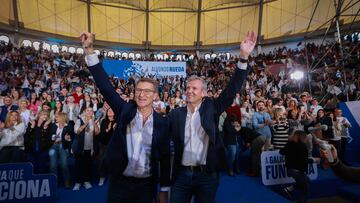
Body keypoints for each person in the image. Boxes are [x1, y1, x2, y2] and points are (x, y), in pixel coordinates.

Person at [80, 31, 171, 203]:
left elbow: (165, 157)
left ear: (155, 96)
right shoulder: (124, 110)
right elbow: (105, 87)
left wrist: (164, 189)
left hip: (146, 186)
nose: (141, 94)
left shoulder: (163, 123)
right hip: (119, 183)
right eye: (138, 90)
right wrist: (89, 50)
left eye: (147, 91)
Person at [168, 31, 256, 203]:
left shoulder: (212, 107)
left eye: (195, 88)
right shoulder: (175, 114)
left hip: (206, 176)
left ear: (204, 93)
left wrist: (243, 56)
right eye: (188, 88)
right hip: (181, 177)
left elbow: (231, 90)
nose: (190, 91)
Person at [280, 131, 314, 203]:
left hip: (290, 169)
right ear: (302, 137)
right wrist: (313, 160)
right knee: (305, 191)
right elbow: (302, 159)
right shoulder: (302, 146)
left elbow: (281, 152)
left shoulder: (290, 144)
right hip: (297, 170)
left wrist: (288, 143)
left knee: (306, 181)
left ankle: (289, 189)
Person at [71, 107, 100, 190]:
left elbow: (97, 133)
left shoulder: (94, 121)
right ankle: (78, 182)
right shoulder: (79, 120)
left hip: (90, 147)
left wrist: (94, 123)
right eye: (88, 111)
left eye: (91, 111)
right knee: (78, 165)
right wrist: (86, 123)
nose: (89, 112)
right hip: (79, 147)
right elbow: (77, 131)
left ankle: (86, 181)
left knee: (88, 165)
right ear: (84, 112)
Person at [47, 112, 73, 189]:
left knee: (64, 165)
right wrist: (55, 138)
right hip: (53, 146)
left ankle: (67, 181)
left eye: (57, 117)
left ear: (62, 117)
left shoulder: (68, 126)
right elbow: (50, 136)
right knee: (53, 165)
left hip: (63, 146)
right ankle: (55, 181)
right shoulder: (53, 125)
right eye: (56, 117)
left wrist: (67, 139)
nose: (56, 118)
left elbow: (70, 138)